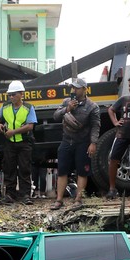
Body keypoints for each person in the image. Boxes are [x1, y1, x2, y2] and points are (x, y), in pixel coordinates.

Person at [50, 78, 100, 210]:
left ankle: (78, 199)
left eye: (77, 88)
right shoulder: (67, 101)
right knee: (62, 170)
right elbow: (55, 116)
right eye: (73, 88)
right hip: (67, 140)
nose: (74, 90)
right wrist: (67, 109)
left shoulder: (92, 106)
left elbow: (95, 126)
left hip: (82, 142)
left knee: (82, 171)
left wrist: (93, 143)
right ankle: (59, 200)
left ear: (84, 89)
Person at [0, 80, 37, 205]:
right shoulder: (5, 106)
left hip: (24, 142)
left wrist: (13, 132)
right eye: (10, 95)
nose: (11, 97)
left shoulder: (28, 108)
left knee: (25, 169)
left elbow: (30, 126)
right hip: (10, 143)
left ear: (21, 94)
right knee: (9, 169)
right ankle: (10, 195)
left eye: (14, 94)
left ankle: (25, 195)